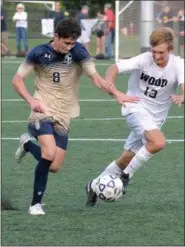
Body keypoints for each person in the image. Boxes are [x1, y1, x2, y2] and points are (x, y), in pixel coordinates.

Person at [12, 18, 139, 216]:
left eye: (72, 43)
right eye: (66, 42)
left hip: (64, 114)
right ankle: (36, 204)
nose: (69, 46)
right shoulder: (38, 52)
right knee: (47, 154)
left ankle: (27, 144)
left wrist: (116, 93)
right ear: (56, 37)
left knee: (54, 166)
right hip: (42, 109)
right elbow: (17, 80)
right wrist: (31, 101)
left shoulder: (79, 52)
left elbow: (96, 78)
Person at [86, 27, 184, 207]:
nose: (156, 56)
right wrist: (113, 88)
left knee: (126, 159)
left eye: (161, 52)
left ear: (171, 49)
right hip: (134, 107)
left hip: (155, 119)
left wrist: (182, 96)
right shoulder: (144, 59)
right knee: (158, 142)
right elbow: (113, 68)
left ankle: (93, 185)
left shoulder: (178, 64)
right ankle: (125, 177)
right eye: (154, 51)